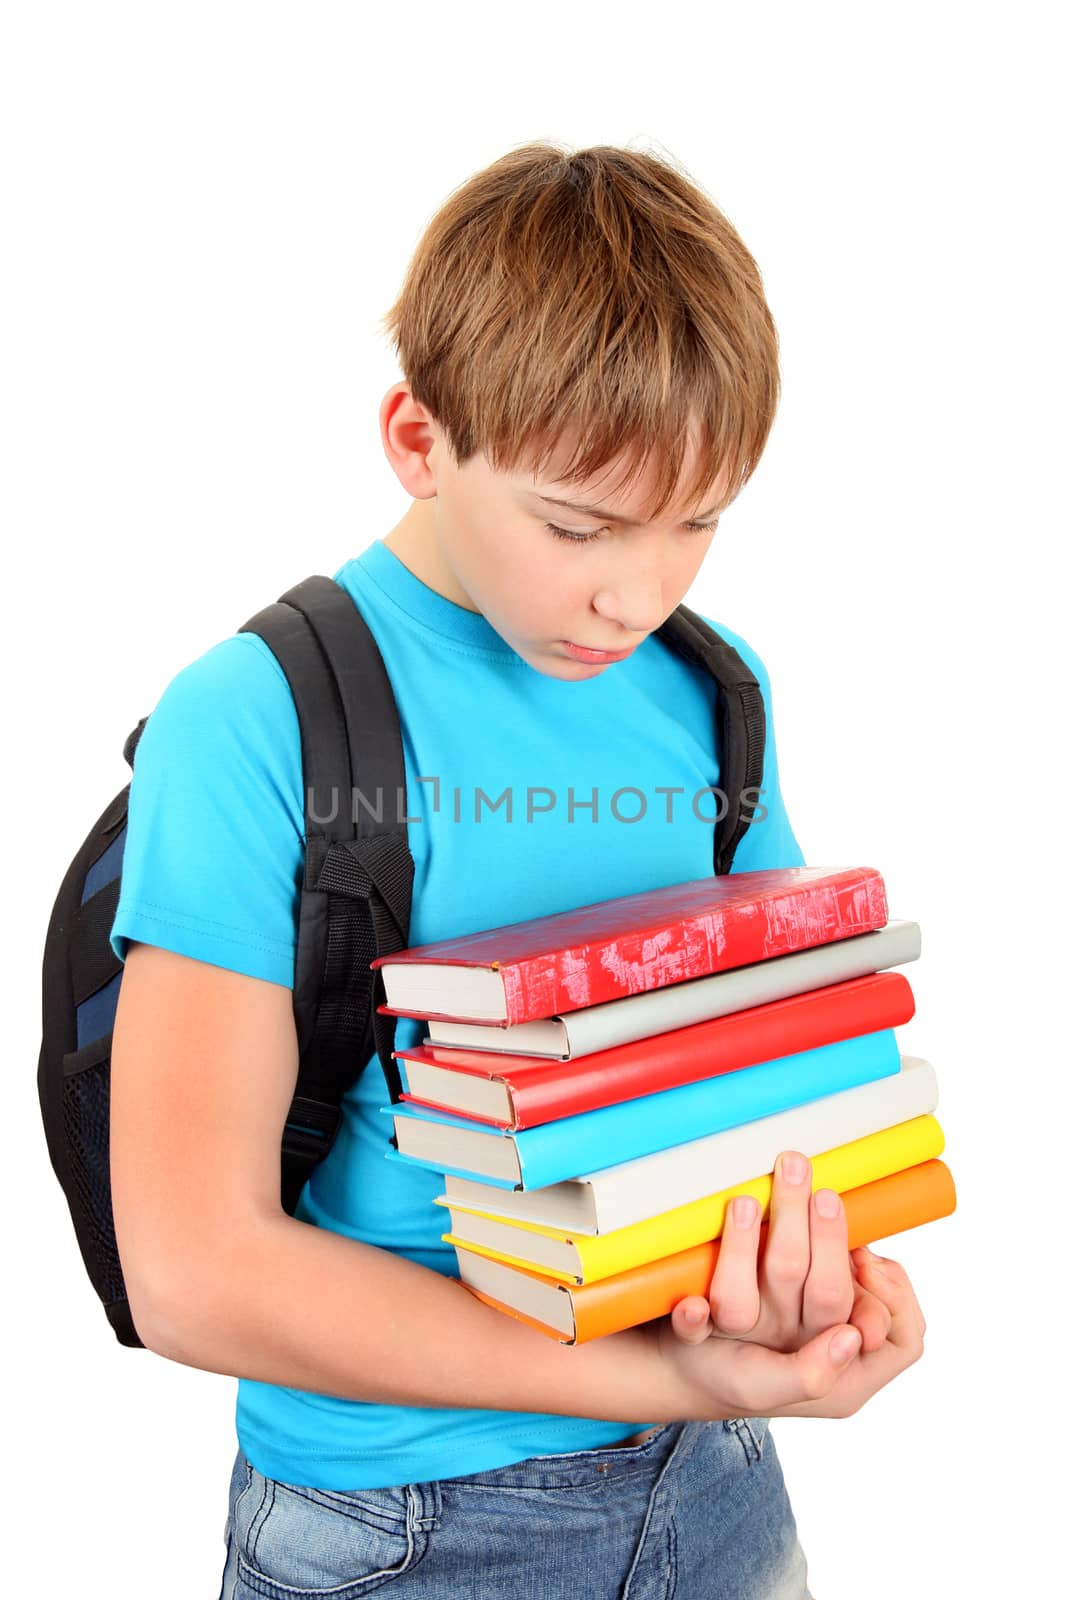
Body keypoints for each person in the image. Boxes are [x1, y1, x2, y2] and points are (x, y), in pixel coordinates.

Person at [108, 142, 925, 1600]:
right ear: (418, 439)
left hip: (719, 1494)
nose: (638, 592)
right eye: (577, 525)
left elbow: (767, 1083)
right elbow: (192, 1270)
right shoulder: (254, 716)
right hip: (403, 1529)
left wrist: (826, 1295)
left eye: (698, 522)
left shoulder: (712, 689)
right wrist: (672, 1380)